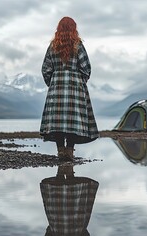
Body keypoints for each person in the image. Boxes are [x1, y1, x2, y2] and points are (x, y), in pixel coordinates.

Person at [40, 17, 99, 161]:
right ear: (74, 29)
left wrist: (53, 83)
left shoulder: (53, 46)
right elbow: (86, 68)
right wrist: (79, 82)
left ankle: (60, 151)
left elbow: (46, 69)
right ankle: (69, 152)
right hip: (75, 88)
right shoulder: (78, 45)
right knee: (72, 121)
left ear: (59, 28)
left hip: (56, 88)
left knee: (58, 121)